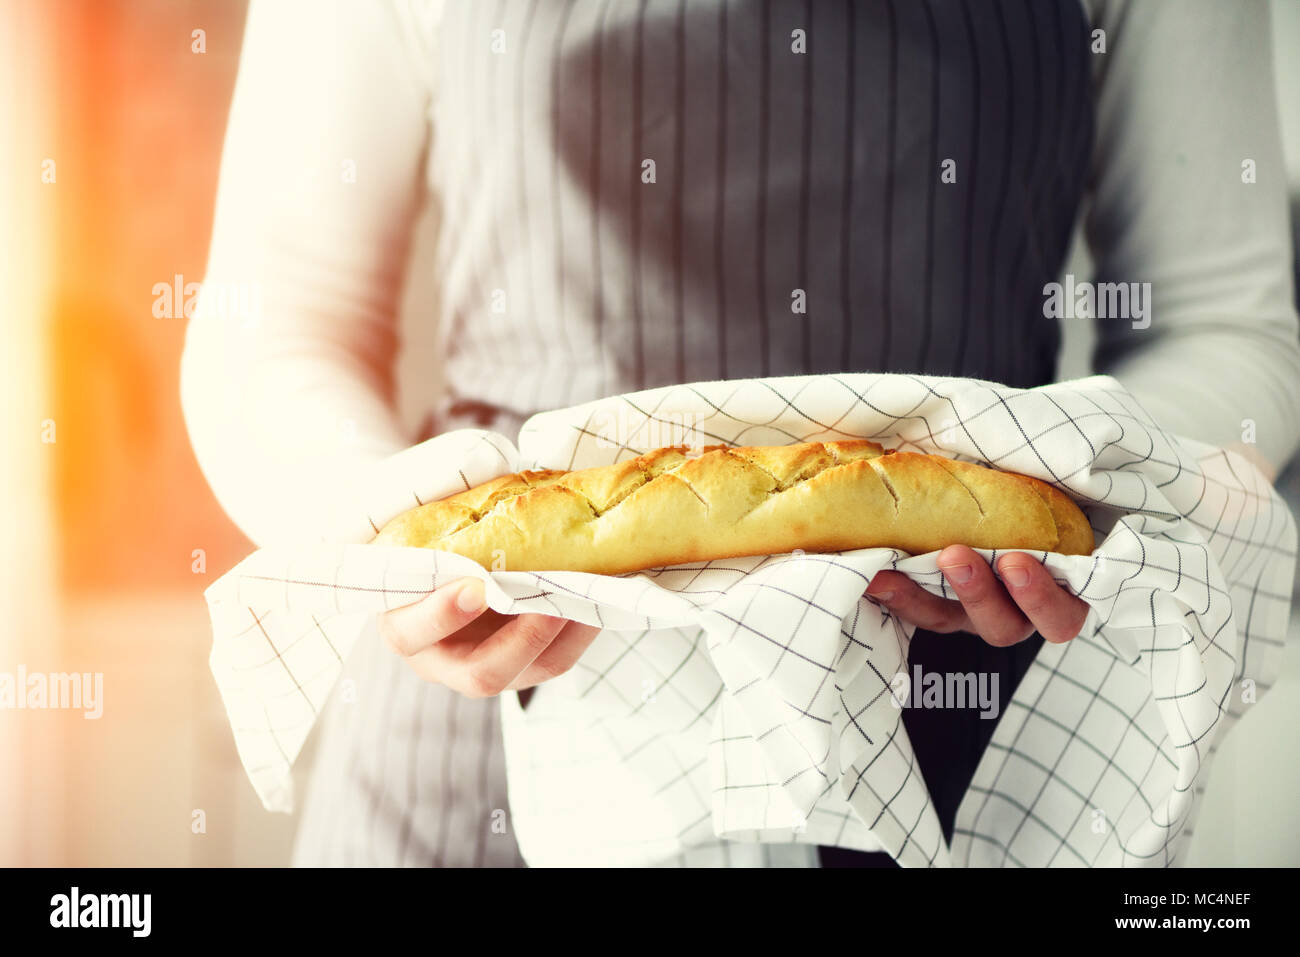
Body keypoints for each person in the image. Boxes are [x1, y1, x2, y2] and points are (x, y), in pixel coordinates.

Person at [182, 0, 1300, 867]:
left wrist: (1096, 512)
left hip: (950, 695)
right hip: (490, 713)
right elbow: (279, 325)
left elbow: (1223, 321)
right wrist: (384, 557)